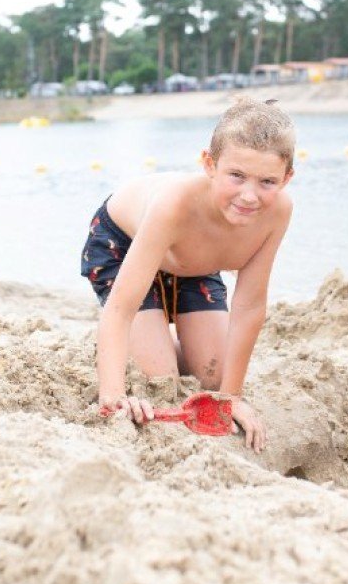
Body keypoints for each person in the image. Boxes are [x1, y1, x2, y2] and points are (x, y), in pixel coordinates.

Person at [81, 97, 295, 452]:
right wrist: (113, 396)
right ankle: (135, 345)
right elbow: (120, 306)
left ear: (287, 178)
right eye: (237, 176)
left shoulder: (278, 213)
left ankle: (154, 341)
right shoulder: (174, 203)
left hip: (195, 263)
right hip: (125, 244)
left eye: (267, 182)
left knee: (211, 373)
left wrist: (232, 396)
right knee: (159, 378)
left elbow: (250, 305)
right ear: (209, 164)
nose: (249, 196)